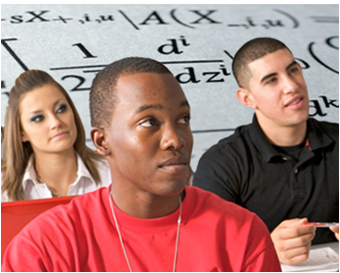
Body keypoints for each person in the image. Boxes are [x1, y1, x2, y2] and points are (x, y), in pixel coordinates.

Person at [1, 57, 281, 272]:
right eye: (149, 122)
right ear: (102, 141)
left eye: (183, 119)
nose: (175, 139)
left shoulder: (243, 233)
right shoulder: (42, 248)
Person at [193, 37, 339, 265]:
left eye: (293, 71)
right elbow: (203, 255)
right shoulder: (220, 164)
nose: (291, 86)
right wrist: (264, 249)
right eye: (271, 80)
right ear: (247, 98)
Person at [1, 70, 111, 202]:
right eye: (38, 118)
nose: (56, 122)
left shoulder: (114, 173)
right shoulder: (3, 189)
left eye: (61, 109)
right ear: (21, 133)